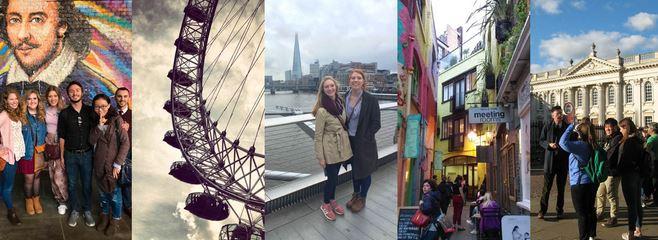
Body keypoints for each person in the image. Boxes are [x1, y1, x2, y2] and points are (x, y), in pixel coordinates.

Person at [0, 0, 108, 104]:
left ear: (61, 27)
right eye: (14, 20)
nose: (22, 35)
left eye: (37, 20)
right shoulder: (2, 85)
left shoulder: (95, 93)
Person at [312, 76, 352, 221]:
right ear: (323, 90)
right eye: (326, 87)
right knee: (332, 178)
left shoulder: (340, 102)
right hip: (329, 149)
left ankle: (332, 199)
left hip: (342, 147)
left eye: (332, 86)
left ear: (336, 86)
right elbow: (318, 136)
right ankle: (326, 204)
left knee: (335, 178)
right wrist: (320, 157)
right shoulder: (322, 111)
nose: (330, 88)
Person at [89, 94, 129, 236]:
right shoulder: (94, 121)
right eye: (97, 107)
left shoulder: (117, 120)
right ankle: (104, 216)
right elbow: (91, 141)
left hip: (113, 166)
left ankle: (115, 220)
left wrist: (118, 164)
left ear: (109, 106)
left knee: (115, 195)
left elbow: (125, 143)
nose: (100, 109)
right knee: (103, 194)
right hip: (99, 165)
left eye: (103, 106)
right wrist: (99, 125)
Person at [58, 81, 95, 227]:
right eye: (72, 91)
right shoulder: (65, 113)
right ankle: (74, 210)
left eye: (77, 90)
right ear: (68, 94)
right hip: (70, 154)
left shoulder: (90, 111)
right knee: (72, 185)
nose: (75, 93)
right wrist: (61, 156)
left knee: (87, 184)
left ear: (82, 92)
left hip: (87, 154)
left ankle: (87, 210)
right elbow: (62, 136)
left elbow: (105, 118)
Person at [343, 69, 380, 213]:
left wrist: (366, 137)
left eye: (358, 78)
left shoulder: (371, 99)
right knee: (355, 170)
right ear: (349, 81)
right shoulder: (344, 96)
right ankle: (355, 195)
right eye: (353, 78)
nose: (355, 80)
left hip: (364, 142)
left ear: (363, 81)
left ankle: (363, 198)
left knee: (365, 171)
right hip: (349, 141)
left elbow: (376, 123)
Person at [559, 119, 597, 240]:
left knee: (581, 214)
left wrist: (571, 127)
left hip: (579, 183)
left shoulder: (580, 145)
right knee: (590, 210)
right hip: (591, 182)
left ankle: (583, 237)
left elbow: (562, 143)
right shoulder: (592, 144)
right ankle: (592, 235)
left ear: (580, 133)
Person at [17, 90, 47, 215]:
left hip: (39, 152)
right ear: (26, 101)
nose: (32, 101)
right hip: (27, 153)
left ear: (38, 100)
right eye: (29, 99)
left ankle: (36, 199)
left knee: (37, 177)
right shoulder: (21, 116)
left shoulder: (42, 115)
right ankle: (28, 200)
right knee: (29, 179)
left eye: (35, 98)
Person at [0, 88, 25, 225]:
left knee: (4, 183)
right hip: (8, 156)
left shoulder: (15, 113)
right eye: (11, 99)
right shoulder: (4, 115)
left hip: (16, 154)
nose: (14, 101)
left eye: (16, 98)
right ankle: (11, 212)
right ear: (6, 101)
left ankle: (4, 198)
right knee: (8, 186)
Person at [538, 106, 569, 220]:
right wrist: (549, 145)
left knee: (561, 189)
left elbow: (571, 140)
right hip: (550, 162)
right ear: (553, 116)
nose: (560, 116)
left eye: (561, 114)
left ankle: (559, 210)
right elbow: (541, 141)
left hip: (562, 162)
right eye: (557, 114)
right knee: (546, 188)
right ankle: (542, 210)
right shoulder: (547, 126)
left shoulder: (567, 127)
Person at [616, 118, 645, 240]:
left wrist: (617, 167)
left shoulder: (628, 142)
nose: (620, 130)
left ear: (626, 127)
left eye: (622, 127)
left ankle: (631, 233)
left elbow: (625, 161)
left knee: (631, 205)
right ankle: (638, 229)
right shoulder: (639, 140)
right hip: (638, 175)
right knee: (637, 203)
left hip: (629, 175)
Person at [44, 86, 68, 215]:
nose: (52, 98)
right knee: (52, 175)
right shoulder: (45, 110)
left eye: (55, 96)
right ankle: (58, 198)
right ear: (47, 98)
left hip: (61, 145)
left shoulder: (64, 110)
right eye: (50, 96)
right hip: (49, 145)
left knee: (60, 176)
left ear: (58, 96)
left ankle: (63, 200)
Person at [596, 118, 622, 227]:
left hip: (612, 171)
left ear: (615, 127)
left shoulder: (617, 138)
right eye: (606, 126)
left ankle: (613, 217)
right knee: (600, 193)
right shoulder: (608, 138)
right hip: (605, 171)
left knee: (611, 195)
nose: (607, 129)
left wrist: (601, 158)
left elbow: (610, 155)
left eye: (609, 126)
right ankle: (599, 213)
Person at [115, 87, 132, 217]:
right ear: (115, 98)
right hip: (113, 151)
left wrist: (129, 129)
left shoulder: (132, 115)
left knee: (127, 180)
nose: (122, 99)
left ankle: (128, 206)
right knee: (114, 180)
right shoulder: (111, 115)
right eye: (119, 96)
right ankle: (116, 207)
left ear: (129, 98)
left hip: (128, 152)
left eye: (125, 96)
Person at [646, 122, 658, 208]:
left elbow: (646, 150)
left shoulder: (651, 139)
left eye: (648, 128)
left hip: (654, 162)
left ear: (652, 130)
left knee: (654, 182)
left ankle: (655, 201)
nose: (647, 129)